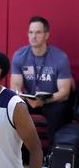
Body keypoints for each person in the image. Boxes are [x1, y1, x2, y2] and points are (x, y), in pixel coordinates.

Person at [10, 16, 74, 145]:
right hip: (30, 99)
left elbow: (64, 92)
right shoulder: (19, 56)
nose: (33, 36)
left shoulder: (60, 57)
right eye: (31, 32)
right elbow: (15, 87)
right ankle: (22, 155)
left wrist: (44, 100)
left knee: (58, 112)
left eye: (38, 32)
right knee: (14, 108)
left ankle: (51, 157)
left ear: (46, 35)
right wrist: (26, 99)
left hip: (53, 100)